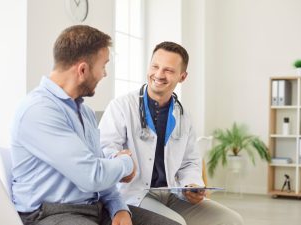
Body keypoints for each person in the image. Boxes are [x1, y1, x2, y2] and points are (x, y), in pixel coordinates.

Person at [10, 26, 181, 225]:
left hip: (94, 207)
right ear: (83, 70)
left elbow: (100, 172)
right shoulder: (39, 110)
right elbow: (92, 175)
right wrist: (126, 163)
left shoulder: (85, 112)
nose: (105, 74)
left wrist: (118, 207)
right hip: (50, 214)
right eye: (103, 66)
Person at [99, 41, 244, 225]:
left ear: (182, 76)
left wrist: (191, 185)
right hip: (135, 194)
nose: (159, 74)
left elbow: (190, 161)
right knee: (176, 223)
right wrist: (119, 158)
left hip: (172, 192)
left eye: (168, 70)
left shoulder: (182, 114)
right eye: (155, 66)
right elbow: (105, 149)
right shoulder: (122, 106)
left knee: (230, 220)